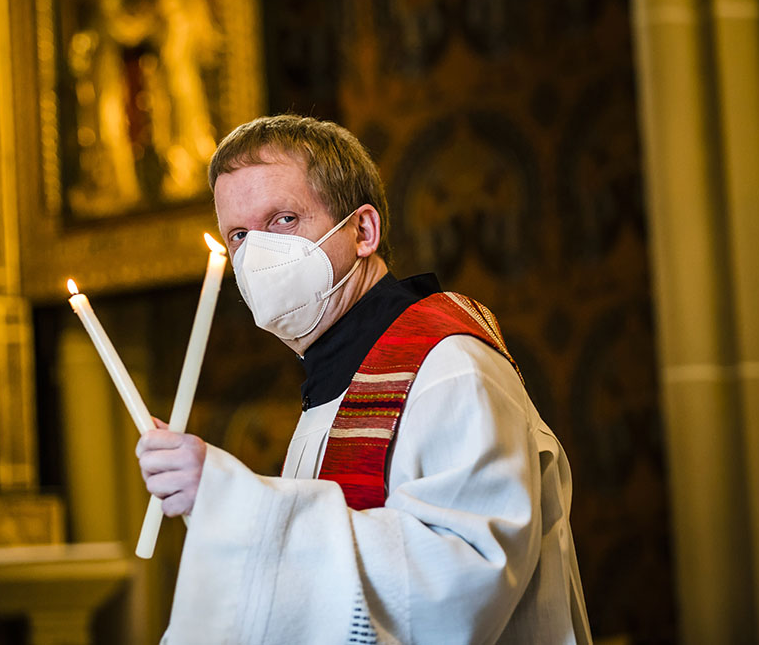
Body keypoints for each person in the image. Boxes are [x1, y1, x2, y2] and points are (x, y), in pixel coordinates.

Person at [136, 114, 592, 644]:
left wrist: (237, 503)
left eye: (283, 220)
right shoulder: (334, 380)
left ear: (363, 231)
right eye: (238, 234)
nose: (256, 254)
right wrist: (216, 506)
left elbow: (465, 584)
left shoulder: (446, 365)